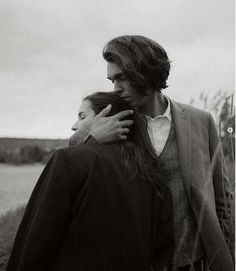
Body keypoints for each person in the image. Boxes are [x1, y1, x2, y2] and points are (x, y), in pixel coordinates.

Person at [69, 35, 234, 271]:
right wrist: (94, 138)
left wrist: (223, 251)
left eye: (122, 78)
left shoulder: (201, 121)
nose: (116, 89)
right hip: (134, 261)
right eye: (112, 80)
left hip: (196, 260)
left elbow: (222, 197)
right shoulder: (112, 123)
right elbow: (70, 172)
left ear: (146, 72)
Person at [7, 92, 174, 271]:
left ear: (107, 119)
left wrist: (87, 143)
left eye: (82, 116)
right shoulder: (153, 174)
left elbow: (37, 238)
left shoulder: (69, 159)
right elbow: (162, 252)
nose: (74, 126)